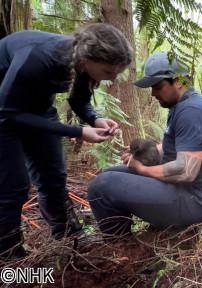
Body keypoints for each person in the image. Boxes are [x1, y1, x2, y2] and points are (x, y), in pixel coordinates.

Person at [0, 23, 133, 259]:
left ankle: (69, 235)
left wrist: (95, 119)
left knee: (53, 175)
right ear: (90, 58)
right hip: (5, 111)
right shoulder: (38, 57)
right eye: (109, 72)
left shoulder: (80, 63)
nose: (112, 78)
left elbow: (79, 100)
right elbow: (10, 111)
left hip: (37, 107)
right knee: (14, 185)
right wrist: (78, 131)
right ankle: (9, 253)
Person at [87, 52, 202, 237]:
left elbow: (186, 171)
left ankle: (119, 247)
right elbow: (174, 147)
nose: (153, 93)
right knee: (108, 174)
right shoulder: (181, 104)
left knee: (101, 186)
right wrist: (143, 153)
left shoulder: (192, 111)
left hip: (198, 200)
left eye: (158, 87)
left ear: (178, 81)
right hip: (186, 192)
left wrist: (142, 169)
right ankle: (122, 238)